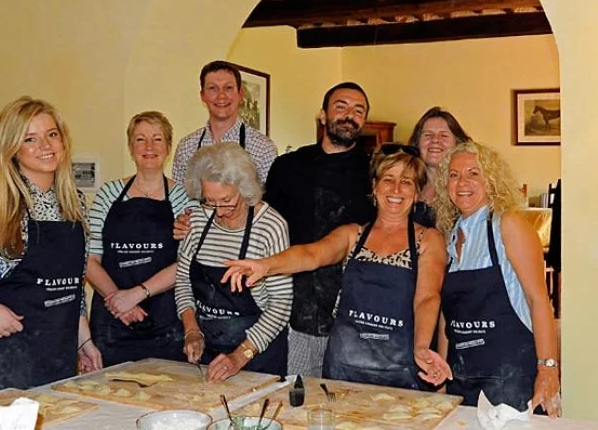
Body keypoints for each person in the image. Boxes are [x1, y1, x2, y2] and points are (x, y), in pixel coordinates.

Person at [224, 143, 450, 389]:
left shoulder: (428, 239)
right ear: (374, 187)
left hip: (401, 371)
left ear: (417, 193)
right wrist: (265, 265)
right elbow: (311, 254)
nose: (396, 189)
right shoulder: (353, 234)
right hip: (344, 367)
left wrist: (421, 348)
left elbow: (427, 298)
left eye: (406, 182)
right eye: (388, 179)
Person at [0, 96, 102, 401]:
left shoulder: (74, 203)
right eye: (30, 139)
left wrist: (84, 342)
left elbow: (71, 286)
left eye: (52, 134)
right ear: (12, 148)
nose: (45, 146)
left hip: (53, 358)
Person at [433, 142, 561, 416]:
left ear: (491, 180)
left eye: (473, 173)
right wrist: (443, 374)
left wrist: (548, 369)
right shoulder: (450, 236)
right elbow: (448, 316)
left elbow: (538, 300)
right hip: (462, 378)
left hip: (511, 378)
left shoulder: (508, 224)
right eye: (454, 175)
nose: (462, 182)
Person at [263, 82, 374, 377]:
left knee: (352, 399)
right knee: (298, 391)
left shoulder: (375, 172)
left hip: (355, 304)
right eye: (341, 106)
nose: (349, 115)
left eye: (358, 110)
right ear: (323, 115)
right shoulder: (287, 166)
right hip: (294, 301)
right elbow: (264, 225)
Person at [175, 143, 292, 380]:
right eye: (210, 201)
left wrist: (240, 356)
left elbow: (281, 304)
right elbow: (183, 282)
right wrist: (191, 331)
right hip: (207, 350)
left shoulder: (270, 226)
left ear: (244, 188)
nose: (218, 211)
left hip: (257, 354)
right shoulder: (196, 218)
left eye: (226, 200)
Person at [86, 111, 190, 366]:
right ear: (131, 147)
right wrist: (118, 300)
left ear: (168, 146)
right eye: (140, 139)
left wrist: (138, 294)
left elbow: (187, 262)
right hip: (113, 322)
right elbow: (89, 259)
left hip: (165, 322)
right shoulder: (108, 194)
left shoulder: (183, 197)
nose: (149, 147)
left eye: (157, 139)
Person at [172, 60, 278, 186]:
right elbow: (179, 202)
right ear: (202, 96)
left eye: (228, 88)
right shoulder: (186, 147)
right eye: (213, 88)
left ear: (240, 94)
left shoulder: (264, 149)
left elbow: (269, 202)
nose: (221, 96)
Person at [407, 106, 471, 227]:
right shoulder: (405, 184)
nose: (435, 140)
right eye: (428, 135)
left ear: (457, 142)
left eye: (444, 135)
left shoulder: (468, 187)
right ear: (417, 143)